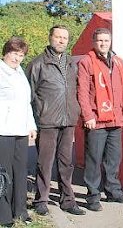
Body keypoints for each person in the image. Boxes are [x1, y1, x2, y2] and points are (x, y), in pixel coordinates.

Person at [26, 25, 86, 216]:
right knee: (45, 162)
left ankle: (67, 200)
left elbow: (78, 90)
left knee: (66, 163)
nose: (61, 41)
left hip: (68, 120)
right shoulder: (37, 64)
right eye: (58, 37)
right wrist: (33, 120)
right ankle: (41, 200)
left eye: (65, 38)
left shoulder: (71, 63)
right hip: (47, 121)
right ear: (50, 38)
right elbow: (29, 95)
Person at [77, 28, 123, 211]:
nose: (103, 43)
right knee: (94, 159)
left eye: (106, 40)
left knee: (113, 159)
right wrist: (87, 115)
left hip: (116, 118)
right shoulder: (87, 61)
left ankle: (113, 192)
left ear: (111, 42)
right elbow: (82, 92)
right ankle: (93, 197)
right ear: (94, 42)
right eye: (100, 40)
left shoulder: (118, 62)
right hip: (96, 120)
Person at [0, 37, 36, 227]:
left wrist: (31, 125)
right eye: (15, 53)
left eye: (21, 55)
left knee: (20, 172)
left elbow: (26, 103)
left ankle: (20, 211)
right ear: (6, 52)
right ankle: (4, 214)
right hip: (3, 131)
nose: (17, 58)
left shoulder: (20, 72)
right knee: (4, 174)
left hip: (21, 130)